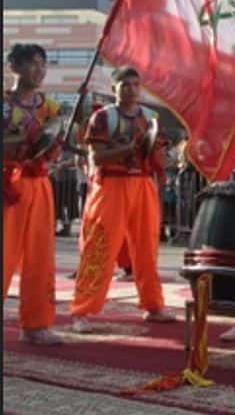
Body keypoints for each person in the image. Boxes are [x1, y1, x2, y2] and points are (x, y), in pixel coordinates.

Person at [70, 67, 175, 331]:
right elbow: (96, 157)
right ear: (113, 87)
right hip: (111, 186)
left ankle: (153, 305)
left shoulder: (151, 117)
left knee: (147, 249)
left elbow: (158, 156)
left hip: (143, 185)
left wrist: (160, 155)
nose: (130, 89)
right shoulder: (103, 117)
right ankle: (82, 310)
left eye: (135, 84)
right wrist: (130, 149)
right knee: (100, 247)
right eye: (124, 84)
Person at [2, 44, 64, 345]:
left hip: (39, 184)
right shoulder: (2, 103)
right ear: (14, 66)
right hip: (7, 184)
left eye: (44, 64)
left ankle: (36, 323)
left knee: (40, 256)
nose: (40, 70)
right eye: (33, 64)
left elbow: (54, 152)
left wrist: (50, 146)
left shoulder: (50, 107)